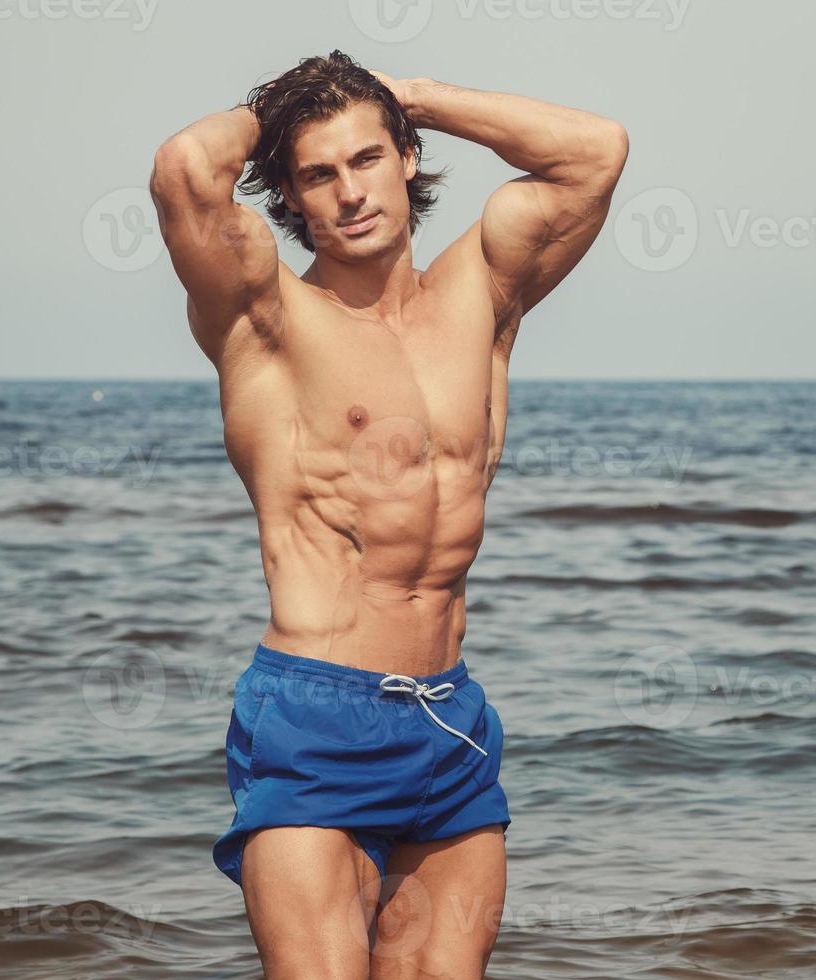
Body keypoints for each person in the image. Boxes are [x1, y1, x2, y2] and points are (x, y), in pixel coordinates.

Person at [148, 50, 628, 979]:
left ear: (405, 156)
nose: (348, 194)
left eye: (367, 158)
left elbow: (594, 153)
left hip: (449, 722)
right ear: (290, 193)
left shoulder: (484, 292)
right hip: (316, 713)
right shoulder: (266, 317)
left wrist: (406, 97)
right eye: (317, 175)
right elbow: (183, 170)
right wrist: (286, 108)